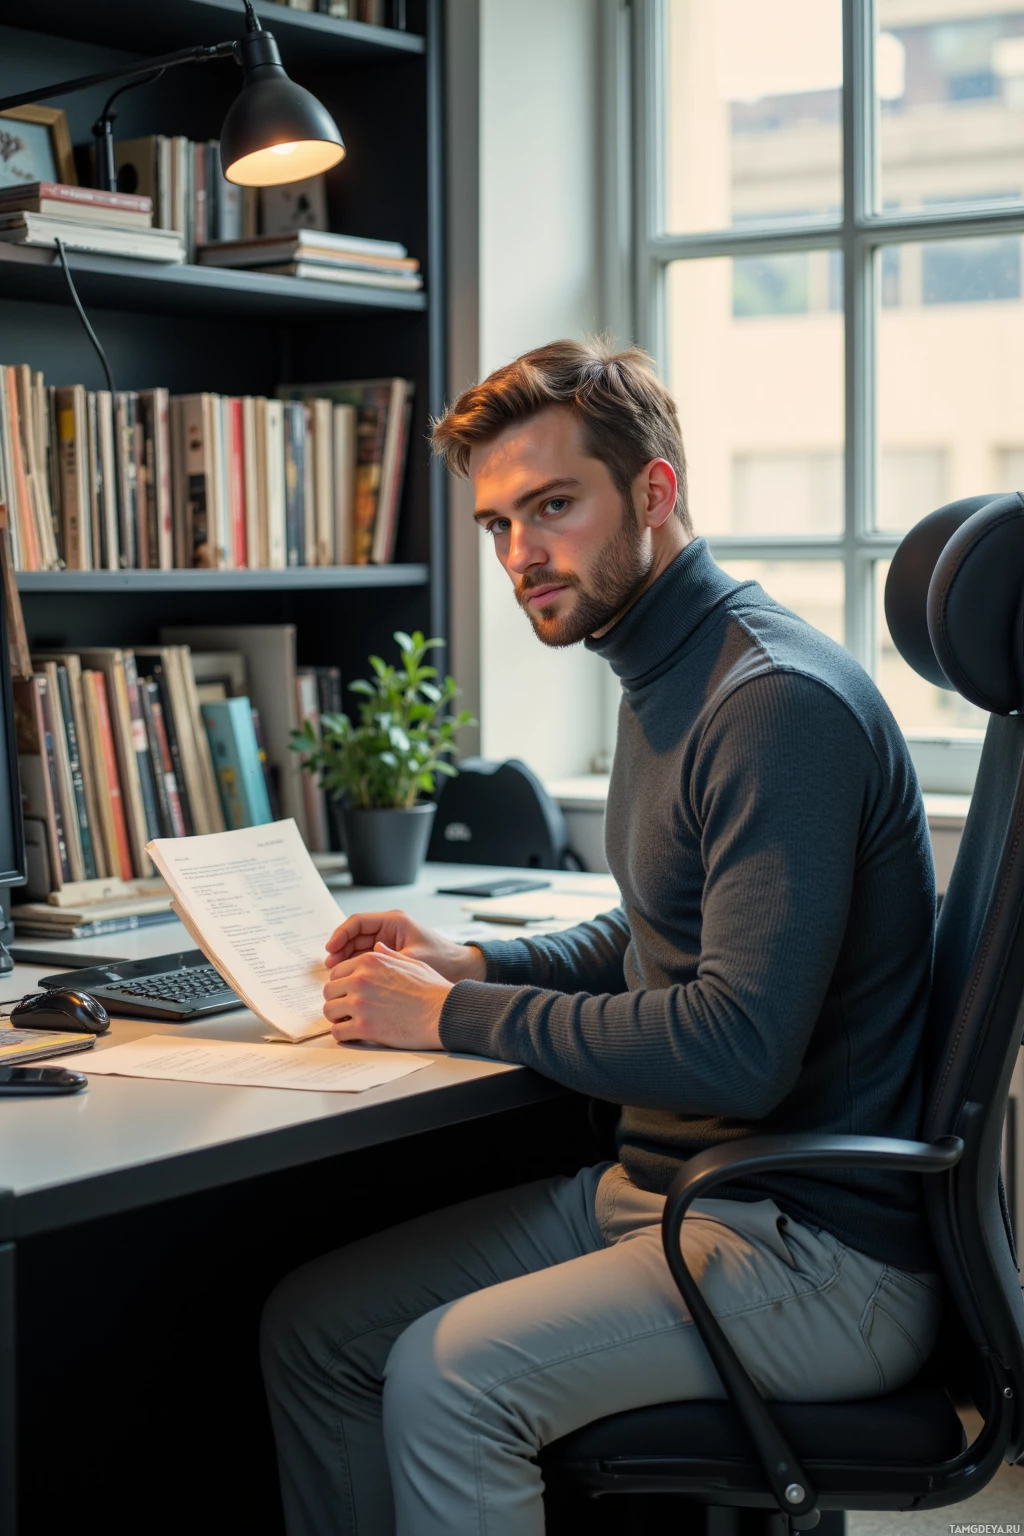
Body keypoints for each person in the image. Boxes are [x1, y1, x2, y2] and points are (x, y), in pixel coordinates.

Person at [260, 339, 945, 1536]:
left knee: (447, 1374)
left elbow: (734, 1044)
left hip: (811, 1249)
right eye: (496, 526)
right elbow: (654, 933)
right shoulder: (660, 666)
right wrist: (472, 963)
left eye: (552, 507)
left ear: (654, 493)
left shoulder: (769, 701)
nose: (522, 553)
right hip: (673, 1195)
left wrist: (453, 1017)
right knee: (316, 1333)